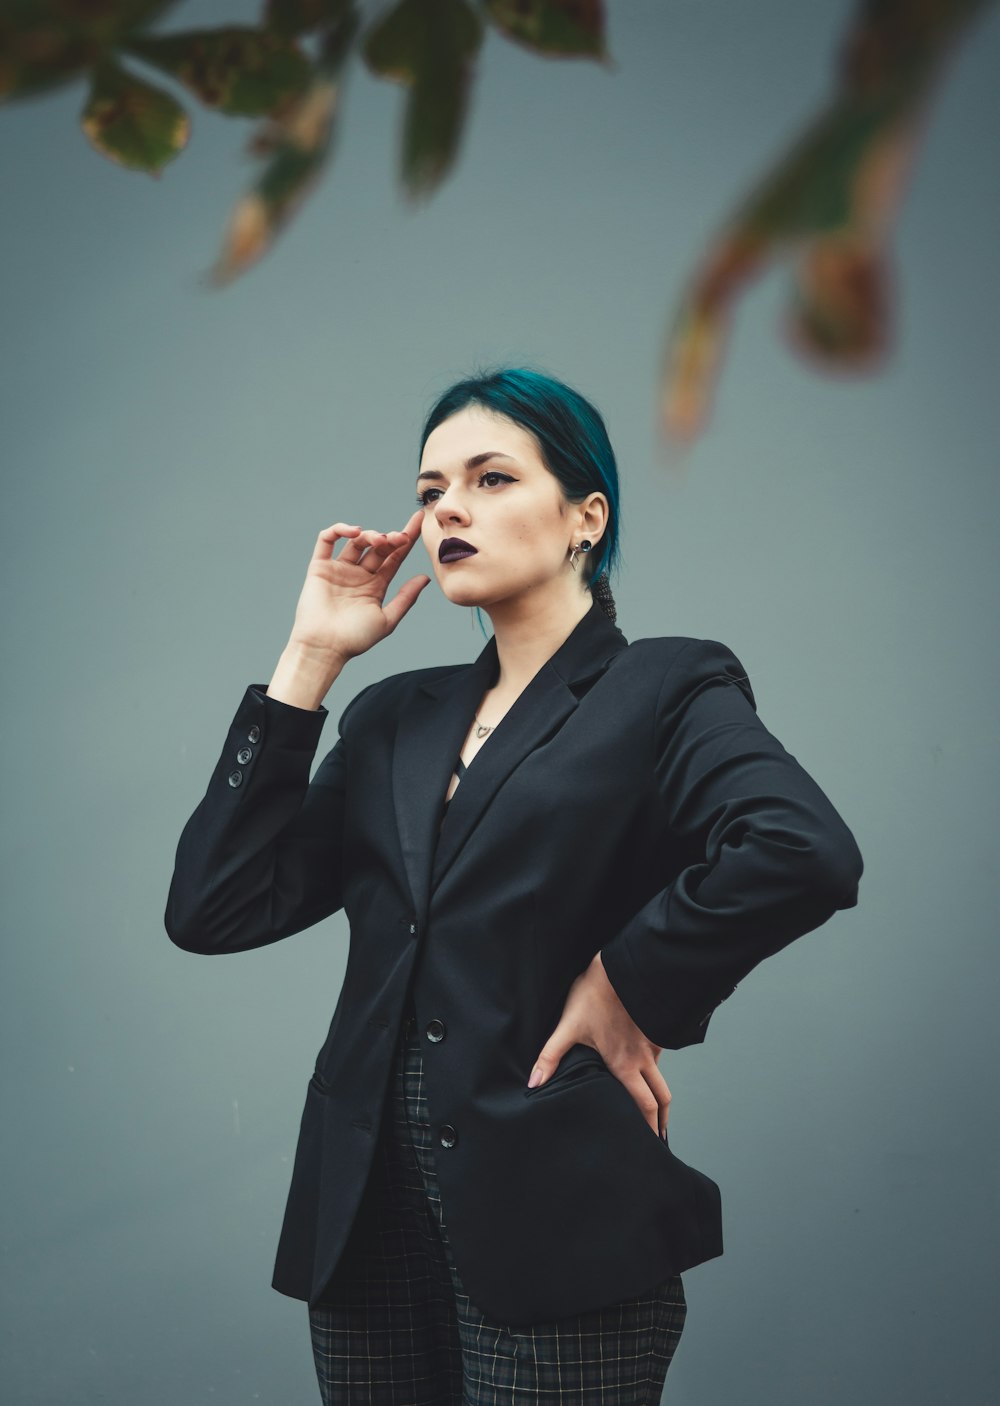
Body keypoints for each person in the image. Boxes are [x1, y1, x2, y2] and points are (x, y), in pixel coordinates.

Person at [165, 366, 864, 1405]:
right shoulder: (393, 717)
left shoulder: (666, 685)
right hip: (362, 1219)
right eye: (433, 484)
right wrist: (309, 657)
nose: (448, 505)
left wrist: (627, 980)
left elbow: (803, 846)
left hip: (558, 1217)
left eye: (491, 478)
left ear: (587, 515)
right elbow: (215, 906)